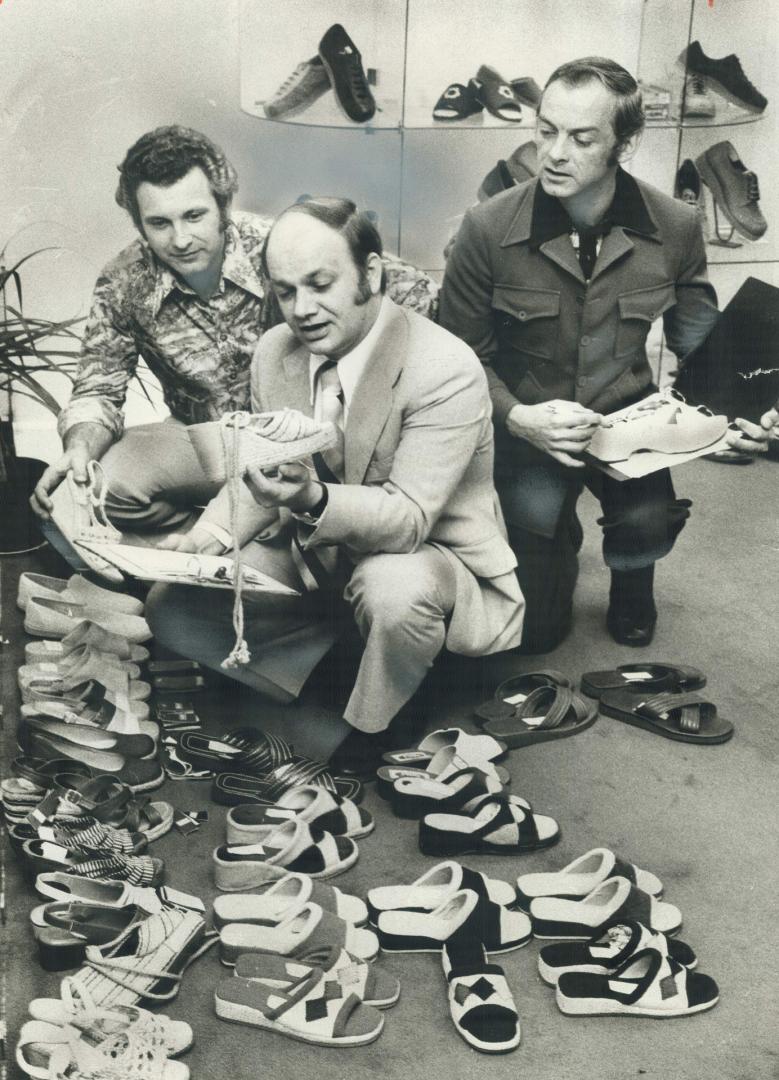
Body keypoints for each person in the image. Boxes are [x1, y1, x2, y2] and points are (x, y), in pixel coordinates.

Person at [145, 197, 524, 776]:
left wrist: (311, 498)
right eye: (286, 290)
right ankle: (367, 669)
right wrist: (203, 541)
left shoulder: (444, 366)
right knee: (170, 608)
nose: (302, 309)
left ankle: (378, 719)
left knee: (392, 591)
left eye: (321, 284)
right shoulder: (275, 353)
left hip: (427, 557)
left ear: (371, 273)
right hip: (320, 556)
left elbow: (407, 521)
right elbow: (258, 476)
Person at [29, 126, 438, 560]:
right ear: (138, 221)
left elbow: (416, 291)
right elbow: (97, 390)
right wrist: (78, 449)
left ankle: (268, 530)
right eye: (159, 223)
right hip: (208, 441)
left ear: (223, 205)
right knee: (103, 482)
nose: (181, 239)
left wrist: (372, 398)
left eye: (194, 216)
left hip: (307, 444)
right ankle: (211, 542)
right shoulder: (123, 281)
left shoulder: (280, 245)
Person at [439, 57, 720, 651]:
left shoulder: (676, 225)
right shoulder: (485, 229)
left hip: (626, 416)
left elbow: (700, 338)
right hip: (527, 422)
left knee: (646, 523)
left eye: (581, 137)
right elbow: (460, 360)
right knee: (538, 633)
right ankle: (551, 539)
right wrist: (517, 418)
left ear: (626, 142)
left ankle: (632, 572)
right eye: (546, 131)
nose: (555, 153)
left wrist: (738, 408)